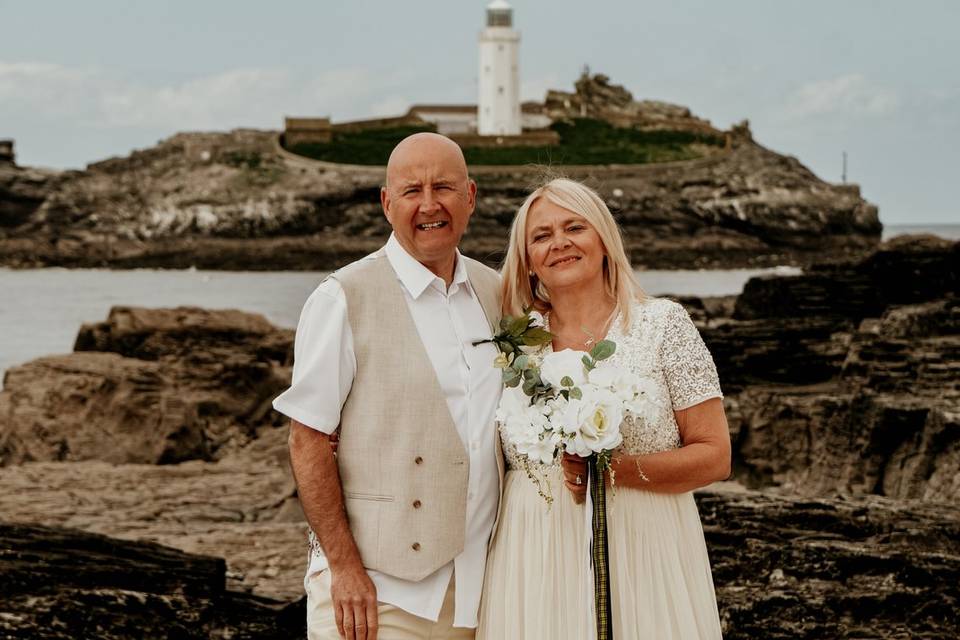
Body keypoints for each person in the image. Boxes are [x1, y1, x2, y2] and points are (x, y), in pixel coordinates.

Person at [273, 133, 504, 640]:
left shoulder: (497, 294)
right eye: (411, 191)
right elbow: (307, 439)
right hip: (377, 598)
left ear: (470, 196)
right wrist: (344, 568)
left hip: (482, 596)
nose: (429, 205)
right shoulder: (342, 298)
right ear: (386, 202)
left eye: (443, 187)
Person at [477, 178, 730, 639]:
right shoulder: (515, 343)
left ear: (604, 241)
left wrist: (611, 469)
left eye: (575, 226)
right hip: (534, 554)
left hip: (646, 547)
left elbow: (715, 455)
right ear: (528, 260)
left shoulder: (662, 324)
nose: (560, 243)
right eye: (541, 235)